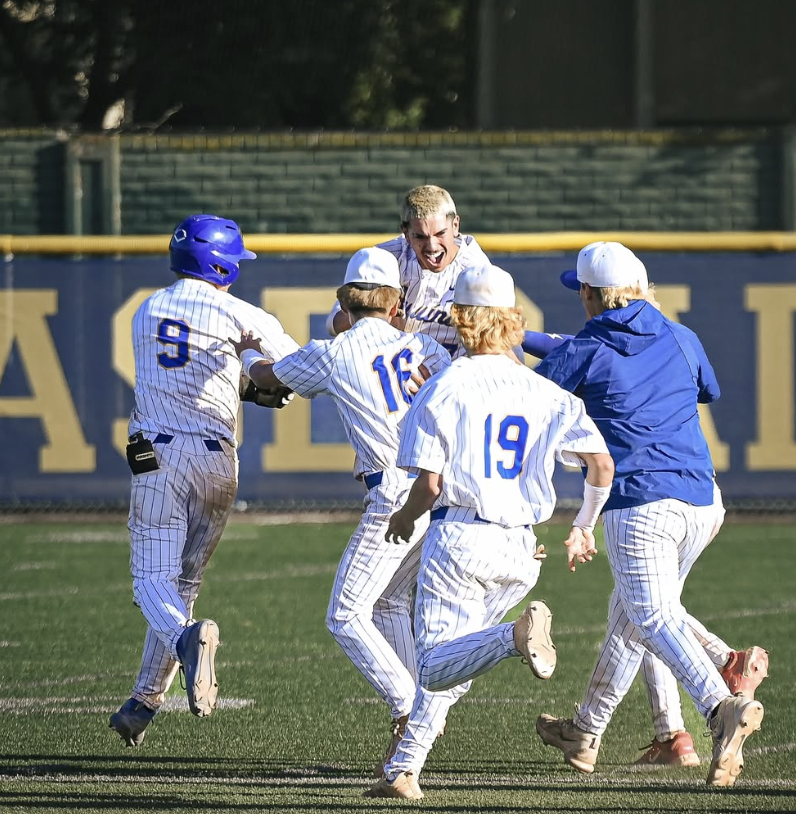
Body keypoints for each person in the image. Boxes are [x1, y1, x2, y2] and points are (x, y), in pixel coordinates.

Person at [365, 264, 615, 800]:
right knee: (458, 665)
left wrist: (404, 518)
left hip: (461, 538)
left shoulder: (444, 385)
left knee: (432, 669)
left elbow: (430, 486)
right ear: (514, 319)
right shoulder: (547, 391)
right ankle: (403, 772)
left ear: (460, 319)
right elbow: (600, 465)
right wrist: (584, 526)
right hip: (521, 546)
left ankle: (513, 637)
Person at [532, 241, 765, 787]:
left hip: (640, 504)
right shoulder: (681, 336)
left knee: (653, 615)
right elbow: (708, 389)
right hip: (702, 502)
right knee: (633, 614)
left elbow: (531, 392)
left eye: (582, 290)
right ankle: (587, 732)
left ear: (591, 295)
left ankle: (720, 699)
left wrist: (500, 341)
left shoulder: (587, 346)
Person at [230, 246, 459, 778]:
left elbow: (267, 377)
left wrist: (244, 352)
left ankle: (411, 706)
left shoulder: (334, 352)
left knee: (346, 614)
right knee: (390, 603)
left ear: (344, 300)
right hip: (440, 491)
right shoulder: (426, 346)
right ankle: (418, 714)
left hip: (394, 496)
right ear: (394, 301)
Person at [109, 214, 299, 747]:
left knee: (151, 580)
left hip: (158, 456)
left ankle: (183, 642)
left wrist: (250, 383)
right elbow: (292, 368)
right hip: (218, 460)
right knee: (184, 584)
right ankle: (144, 701)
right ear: (221, 264)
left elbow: (178, 371)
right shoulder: (241, 313)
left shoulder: (147, 309)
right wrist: (260, 380)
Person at [327, 184, 490, 355]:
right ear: (405, 233)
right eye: (420, 236)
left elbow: (495, 342)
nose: (432, 246)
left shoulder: (478, 270)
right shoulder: (385, 257)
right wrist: (377, 312)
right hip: (390, 367)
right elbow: (334, 323)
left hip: (452, 368)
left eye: (440, 233)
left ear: (455, 225)